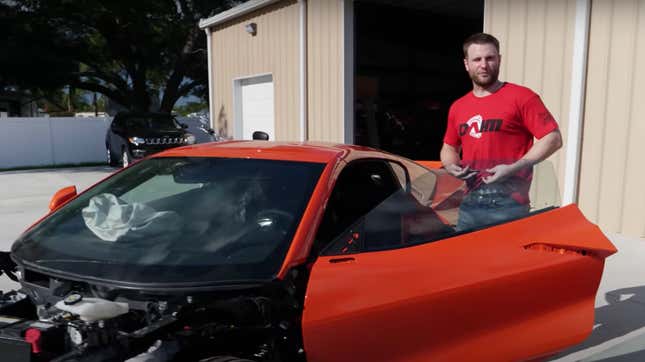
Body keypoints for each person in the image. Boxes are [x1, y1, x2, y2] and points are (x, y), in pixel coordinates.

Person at [440, 33, 562, 231]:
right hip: (470, 204)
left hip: (509, 205)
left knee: (506, 262)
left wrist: (515, 167)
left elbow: (553, 138)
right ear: (466, 64)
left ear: (499, 60)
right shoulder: (458, 107)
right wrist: (451, 164)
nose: (484, 65)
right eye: (477, 59)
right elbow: (449, 147)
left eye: (490, 58)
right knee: (465, 261)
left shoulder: (522, 97)